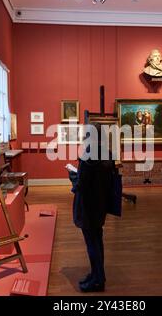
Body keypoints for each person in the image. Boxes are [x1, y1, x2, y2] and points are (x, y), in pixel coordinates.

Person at [67, 124, 117, 293]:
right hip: (101, 204)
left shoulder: (88, 157)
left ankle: (98, 280)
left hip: (88, 206)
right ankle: (97, 275)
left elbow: (81, 185)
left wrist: (72, 175)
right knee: (98, 239)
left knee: (92, 243)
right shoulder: (108, 154)